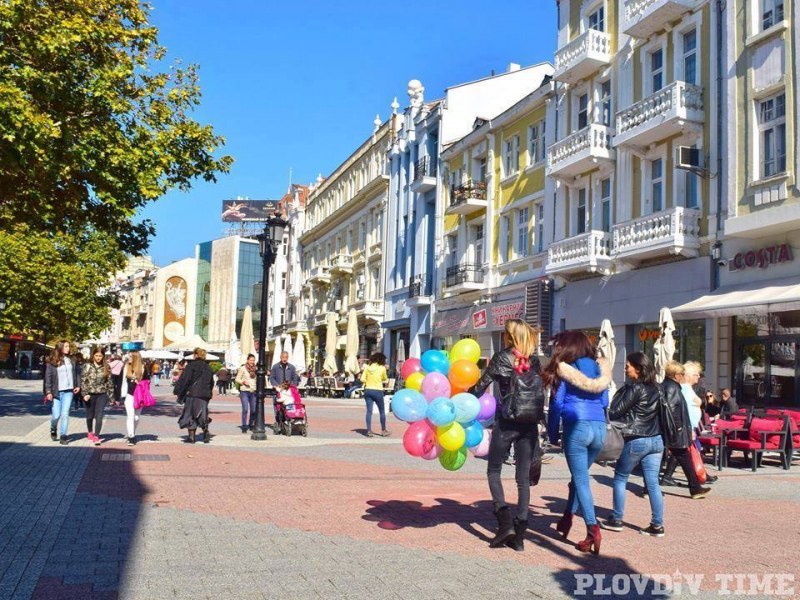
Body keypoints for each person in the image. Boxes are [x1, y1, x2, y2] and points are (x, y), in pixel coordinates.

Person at [470, 319, 545, 552]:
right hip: (529, 424)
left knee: (493, 470)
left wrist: (462, 398)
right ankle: (519, 536)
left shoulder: (502, 358)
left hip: (507, 421)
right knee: (522, 479)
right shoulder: (534, 361)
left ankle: (504, 524)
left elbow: (480, 387)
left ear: (509, 336)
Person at [543, 331, 611, 552]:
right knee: (577, 479)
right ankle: (566, 518)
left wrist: (553, 432)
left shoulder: (566, 369)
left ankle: (593, 530)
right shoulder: (599, 369)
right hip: (599, 428)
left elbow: (557, 404)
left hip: (577, 427)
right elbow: (605, 401)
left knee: (581, 480)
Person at [600, 352, 666, 538]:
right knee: (653, 483)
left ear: (638, 368)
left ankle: (616, 519)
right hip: (656, 439)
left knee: (620, 478)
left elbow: (615, 412)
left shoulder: (635, 388)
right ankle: (657, 525)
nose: (625, 369)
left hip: (637, 438)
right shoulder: (658, 388)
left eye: (628, 366)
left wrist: (617, 396)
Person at [658, 361, 712, 498]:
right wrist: (679, 426)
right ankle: (694, 488)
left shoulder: (668, 386)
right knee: (681, 457)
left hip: (674, 430)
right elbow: (672, 409)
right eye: (682, 373)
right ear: (676, 375)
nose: (684, 376)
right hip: (676, 431)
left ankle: (695, 488)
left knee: (682, 458)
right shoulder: (673, 388)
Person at [44, 340, 81, 445]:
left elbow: (77, 373)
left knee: (65, 413)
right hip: (56, 391)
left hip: (69, 391)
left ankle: (63, 435)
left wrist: (78, 385)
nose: (68, 348)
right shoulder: (53, 361)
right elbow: (48, 377)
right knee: (56, 415)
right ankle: (53, 427)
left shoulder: (72, 360)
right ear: (60, 348)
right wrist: (48, 391)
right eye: (66, 346)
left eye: (68, 346)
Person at [176, 348, 214, 443]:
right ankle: (205, 432)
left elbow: (185, 380)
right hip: (204, 395)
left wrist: (178, 391)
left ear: (196, 355)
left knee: (190, 414)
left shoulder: (190, 366)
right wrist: (208, 393)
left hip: (192, 393)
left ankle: (191, 437)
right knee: (202, 413)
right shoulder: (208, 367)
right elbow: (211, 383)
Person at [80, 346, 114, 446]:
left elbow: (109, 382)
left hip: (102, 394)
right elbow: (83, 381)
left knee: (99, 415)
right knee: (90, 415)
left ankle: (96, 436)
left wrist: (112, 397)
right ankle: (90, 431)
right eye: (96, 356)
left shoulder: (106, 367)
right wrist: (85, 394)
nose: (98, 358)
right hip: (90, 394)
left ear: (103, 356)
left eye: (100, 356)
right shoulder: (87, 366)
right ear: (93, 355)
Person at [120, 352, 151, 446]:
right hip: (129, 395)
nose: (128, 358)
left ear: (135, 358)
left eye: (130, 357)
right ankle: (131, 437)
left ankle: (132, 432)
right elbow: (123, 381)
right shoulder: (126, 367)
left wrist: (140, 383)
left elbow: (147, 381)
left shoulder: (143, 367)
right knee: (130, 416)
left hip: (139, 395)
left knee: (136, 418)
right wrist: (122, 395)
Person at [361, 353, 390, 438]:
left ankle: (369, 431)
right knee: (382, 411)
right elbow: (385, 379)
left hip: (368, 390)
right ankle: (383, 430)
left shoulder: (367, 367)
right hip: (378, 391)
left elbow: (362, 379)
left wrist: (368, 381)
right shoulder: (382, 368)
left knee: (369, 411)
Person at [235, 354, 258, 433]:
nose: (252, 362)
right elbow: (237, 379)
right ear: (247, 360)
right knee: (245, 409)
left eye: (253, 360)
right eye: (251, 360)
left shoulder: (256, 369)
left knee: (253, 410)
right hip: (244, 391)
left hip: (253, 391)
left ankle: (251, 424)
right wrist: (243, 382)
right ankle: (244, 426)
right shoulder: (243, 368)